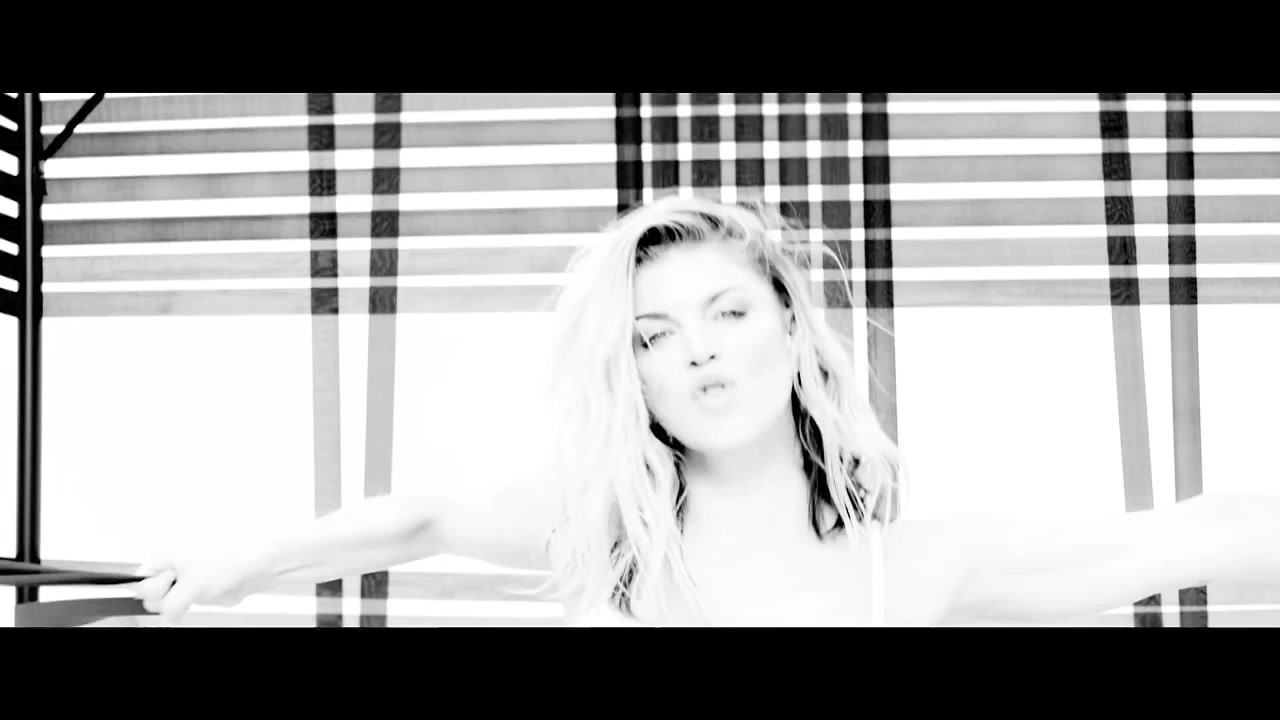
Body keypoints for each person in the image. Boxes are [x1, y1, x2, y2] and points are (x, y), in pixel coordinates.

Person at [134, 195, 1280, 627]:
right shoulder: (602, 538)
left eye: (727, 312)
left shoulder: (914, 571)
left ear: (791, 330)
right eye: (652, 335)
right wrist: (241, 563)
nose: (697, 351)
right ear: (631, 375)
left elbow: (1197, 532)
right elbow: (420, 518)